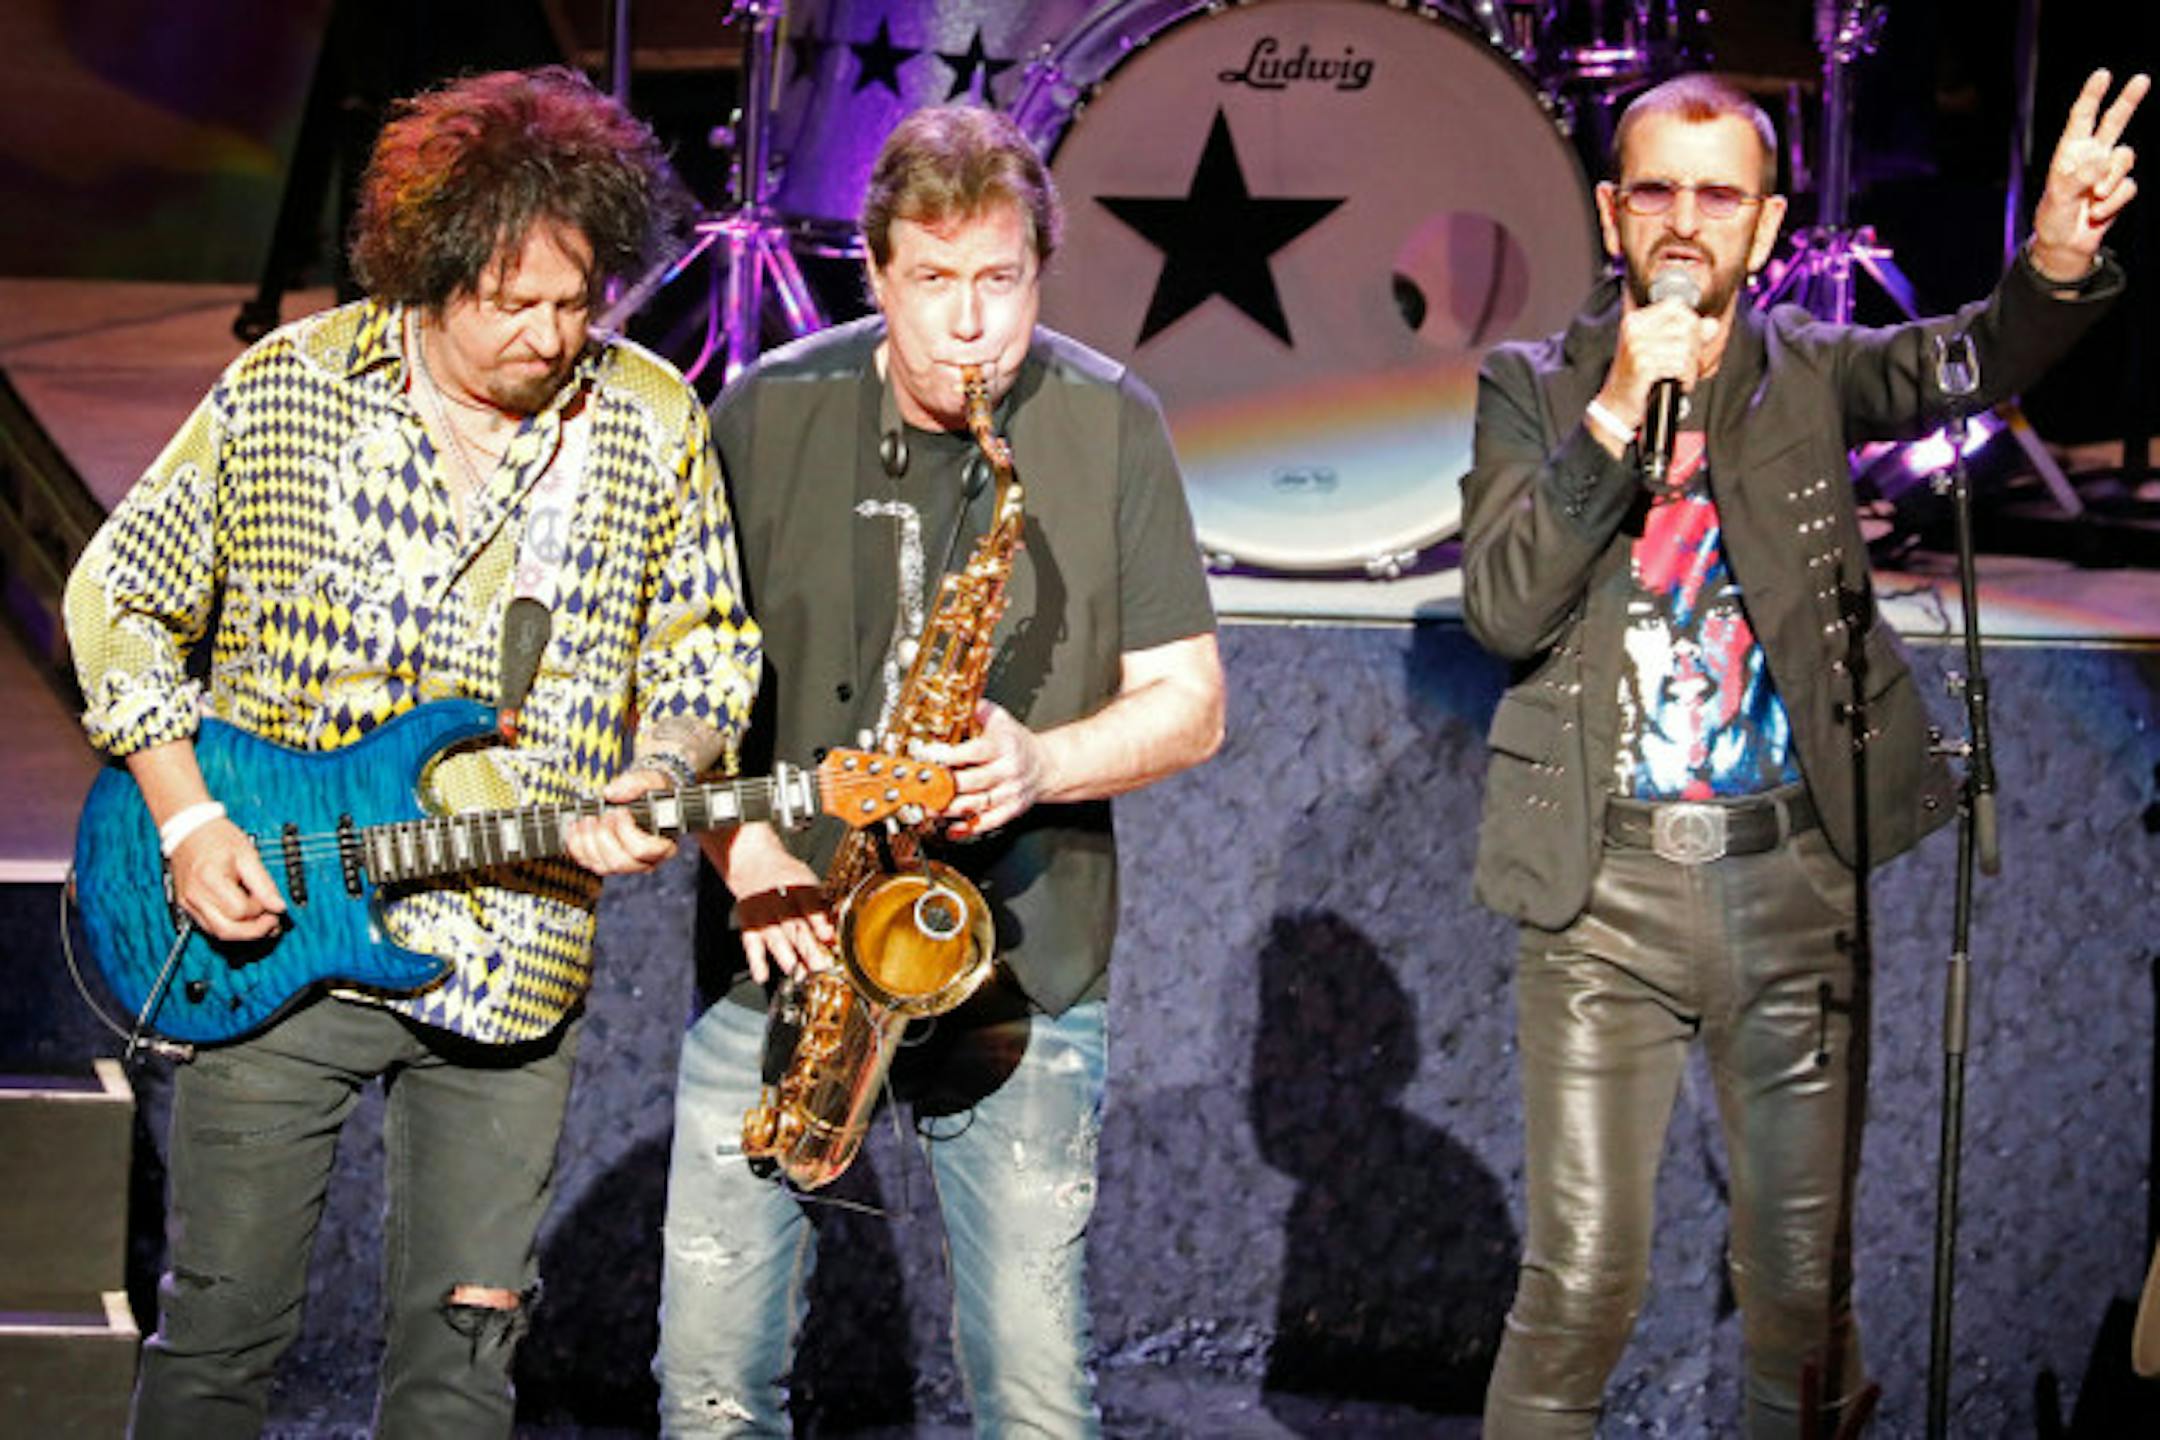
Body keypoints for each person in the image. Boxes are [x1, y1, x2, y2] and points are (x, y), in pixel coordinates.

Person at [63, 67, 760, 1437]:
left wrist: (664, 774)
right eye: (516, 303)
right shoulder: (287, 391)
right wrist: (190, 819)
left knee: (460, 1374)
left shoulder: (649, 418)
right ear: (429, 275)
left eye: (580, 302)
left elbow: (706, 654)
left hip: (515, 947)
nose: (556, 336)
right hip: (268, 932)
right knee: (218, 1342)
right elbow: (119, 597)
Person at [1461, 68, 2145, 1438]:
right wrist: (1613, 416)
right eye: (1655, 189)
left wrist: (2056, 260)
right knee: (1582, 1283)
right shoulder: (1534, 387)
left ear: (1768, 227)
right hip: (1602, 898)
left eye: (1718, 196)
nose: (1683, 222)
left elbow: (1967, 359)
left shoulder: (1814, 372)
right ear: (1612, 211)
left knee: (1797, 1293)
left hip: (1792, 892)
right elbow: (1504, 604)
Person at [654, 104, 1226, 1436]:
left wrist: (1042, 762)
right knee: (710, 1387)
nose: (969, 327)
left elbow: (1190, 706)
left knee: (1034, 1396)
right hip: (782, 951)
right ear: (876, 270)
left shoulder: (1109, 421)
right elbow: (672, 696)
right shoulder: (760, 411)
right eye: (933, 282)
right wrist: (745, 857)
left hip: (1019, 960)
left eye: (1000, 283)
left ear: (1038, 273)